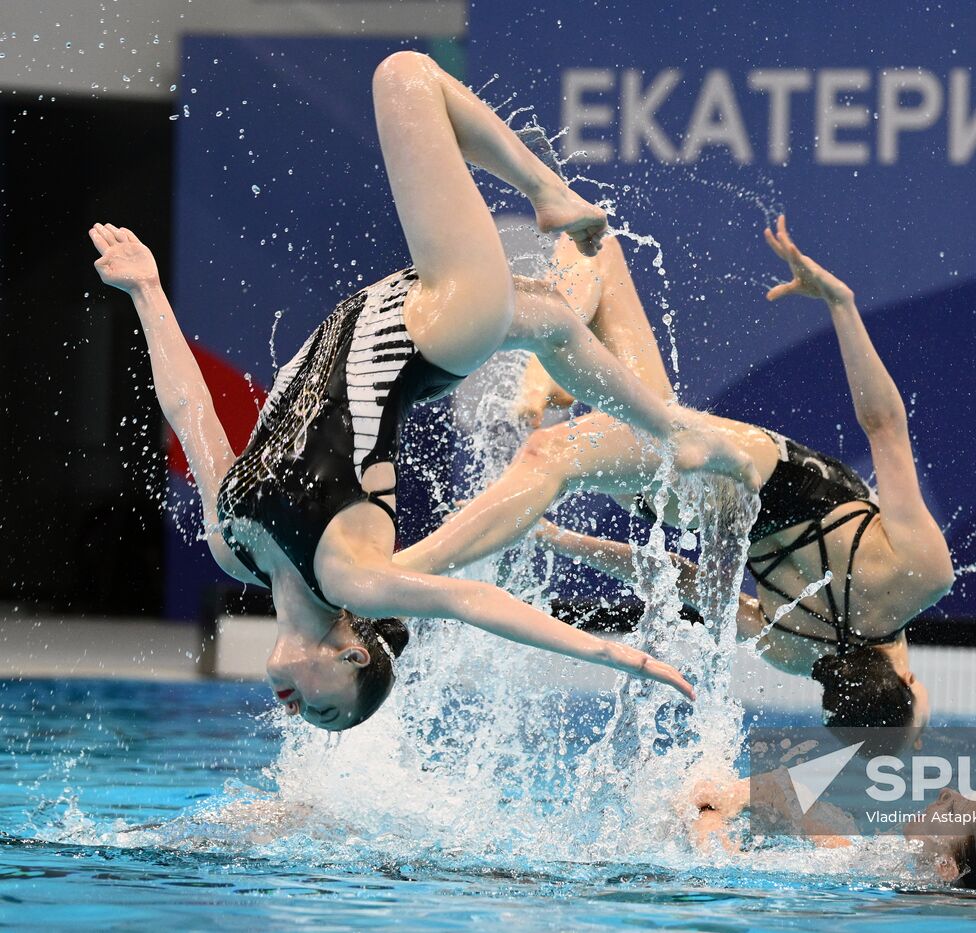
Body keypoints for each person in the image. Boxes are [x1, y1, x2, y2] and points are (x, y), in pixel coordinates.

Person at [88, 52, 758, 731]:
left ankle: (674, 430)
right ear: (354, 655)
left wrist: (146, 289)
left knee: (556, 322)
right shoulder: (353, 577)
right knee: (403, 77)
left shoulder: (235, 548)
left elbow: (190, 411)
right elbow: (473, 601)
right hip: (438, 327)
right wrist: (623, 657)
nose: (298, 711)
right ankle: (547, 193)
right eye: (327, 708)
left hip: (403, 306)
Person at [394, 216, 957, 753]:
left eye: (921, 725)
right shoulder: (792, 652)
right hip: (667, 493)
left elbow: (883, 424)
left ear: (907, 681)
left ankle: (397, 577)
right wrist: (563, 543)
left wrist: (842, 303)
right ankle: (553, 367)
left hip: (700, 466)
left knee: (549, 454)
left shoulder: (922, 575)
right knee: (597, 252)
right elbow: (686, 581)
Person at [688, 772, 976, 893]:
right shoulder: (887, 871)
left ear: (946, 867)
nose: (947, 793)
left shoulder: (874, 899)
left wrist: (709, 814)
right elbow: (797, 810)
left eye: (955, 808)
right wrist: (738, 796)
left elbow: (716, 877)